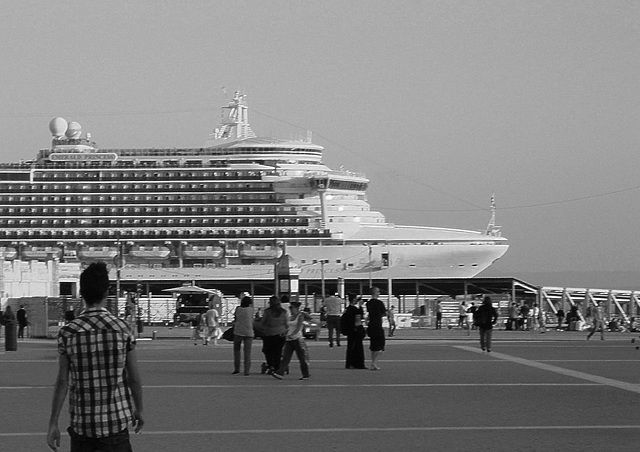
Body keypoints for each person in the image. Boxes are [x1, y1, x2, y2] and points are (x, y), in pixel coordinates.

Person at [47, 261, 143, 452]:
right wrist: (139, 409)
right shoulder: (123, 329)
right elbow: (134, 378)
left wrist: (53, 422)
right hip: (115, 423)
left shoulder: (68, 332)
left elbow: (62, 382)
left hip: (82, 426)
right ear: (107, 292)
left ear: (81, 293)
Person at [272, 301, 311, 380]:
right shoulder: (290, 317)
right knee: (286, 357)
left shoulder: (300, 316)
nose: (290, 309)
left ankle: (305, 374)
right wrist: (284, 333)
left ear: (296, 308)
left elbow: (298, 328)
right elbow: (287, 327)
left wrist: (291, 334)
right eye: (290, 308)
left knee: (302, 358)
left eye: (292, 308)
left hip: (297, 339)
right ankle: (280, 372)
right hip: (289, 340)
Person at [259, 295, 288, 375]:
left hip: (268, 334)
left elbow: (263, 323)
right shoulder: (283, 312)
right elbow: (286, 323)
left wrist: (262, 329)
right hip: (281, 334)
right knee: (278, 352)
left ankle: (271, 365)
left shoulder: (267, 312)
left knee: (267, 351)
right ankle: (277, 367)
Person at [366, 286, 387, 370]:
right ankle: (374, 362)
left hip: (371, 325)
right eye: (378, 291)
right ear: (375, 292)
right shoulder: (379, 303)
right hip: (378, 325)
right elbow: (384, 313)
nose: (379, 293)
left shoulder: (368, 303)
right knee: (381, 345)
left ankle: (373, 362)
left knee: (373, 345)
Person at [233, 296, 255, 375]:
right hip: (249, 332)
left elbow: (235, 318)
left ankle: (237, 368)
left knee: (236, 350)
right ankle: (246, 370)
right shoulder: (251, 310)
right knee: (247, 352)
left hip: (238, 331)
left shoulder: (238, 309)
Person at [343, 293, 366, 369]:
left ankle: (349, 363)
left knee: (350, 347)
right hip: (355, 330)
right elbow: (359, 317)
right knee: (358, 347)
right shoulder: (355, 310)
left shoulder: (347, 309)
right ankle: (358, 364)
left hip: (350, 330)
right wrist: (360, 306)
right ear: (353, 300)